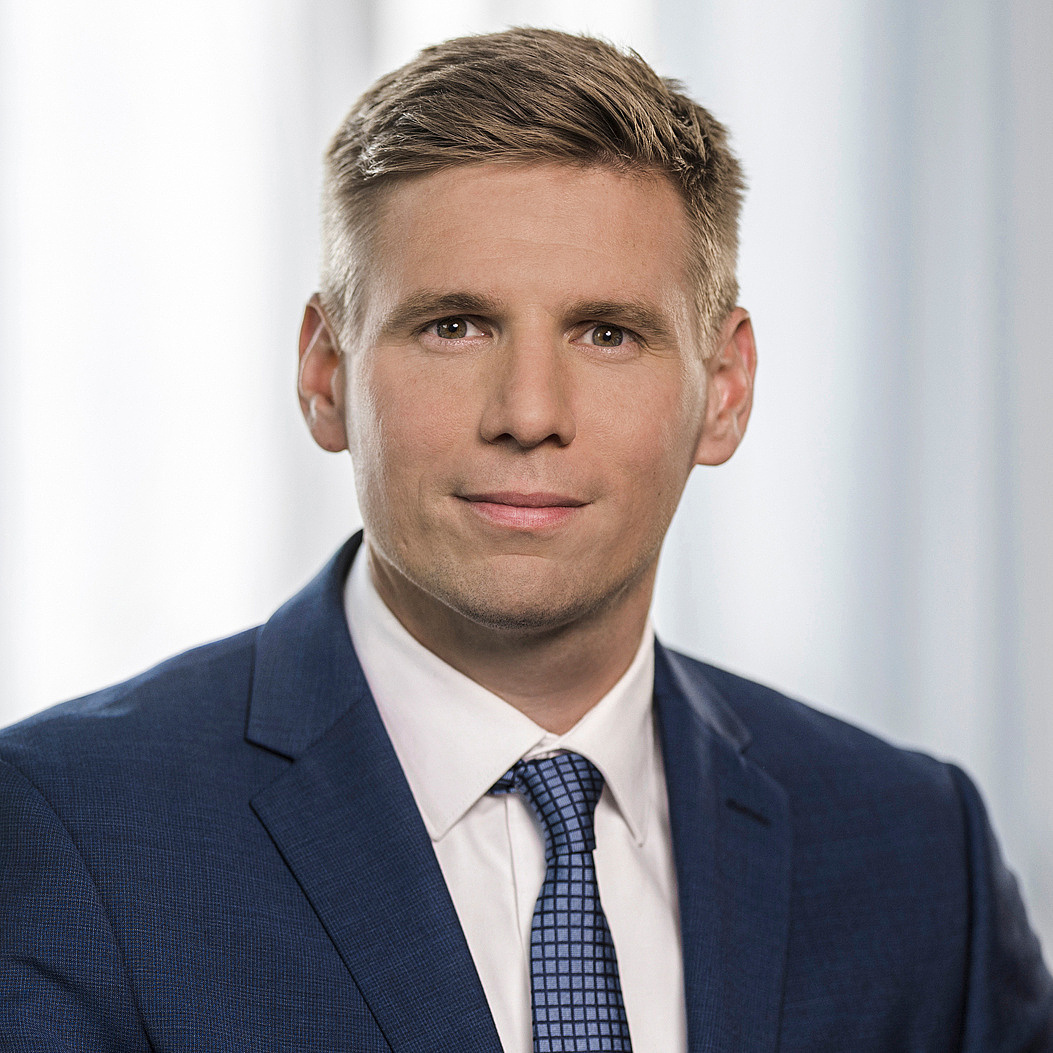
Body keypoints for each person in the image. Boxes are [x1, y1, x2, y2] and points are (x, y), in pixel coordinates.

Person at [1, 26, 1050, 1053]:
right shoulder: (64, 827)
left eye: (608, 333)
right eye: (454, 326)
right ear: (325, 373)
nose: (530, 413)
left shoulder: (917, 852)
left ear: (724, 392)